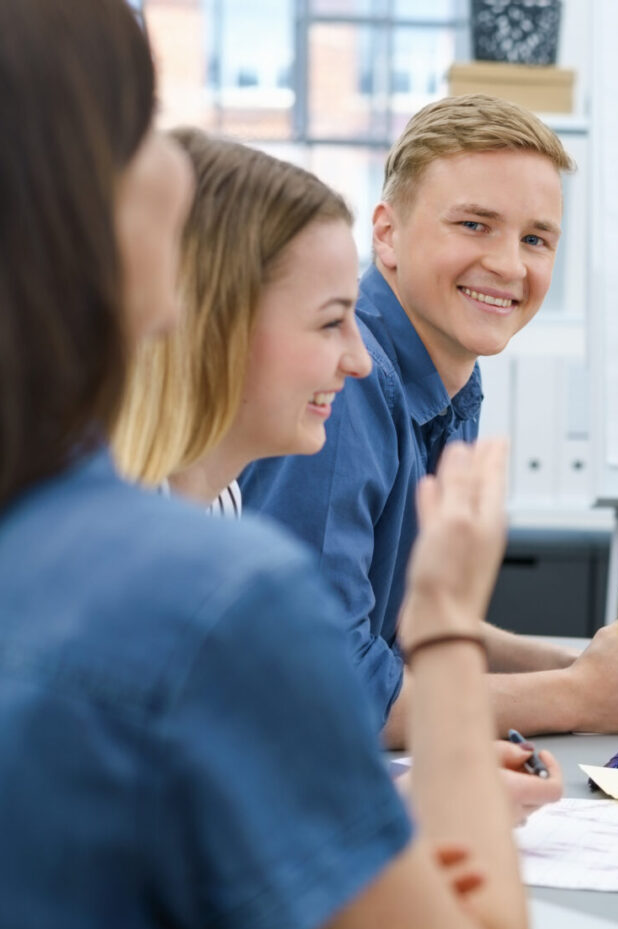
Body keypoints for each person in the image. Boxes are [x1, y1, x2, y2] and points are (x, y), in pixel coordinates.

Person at [0, 2, 529, 929]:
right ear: (73, 204)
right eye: (146, 126)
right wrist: (446, 629)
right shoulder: (199, 600)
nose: (178, 169)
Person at [110, 128, 563, 821]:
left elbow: (224, 762)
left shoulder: (217, 505)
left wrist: (406, 790)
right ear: (213, 324)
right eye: (329, 323)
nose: (357, 359)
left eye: (537, 239)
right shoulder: (131, 550)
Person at [241, 95, 618, 747]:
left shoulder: (450, 378)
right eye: (472, 225)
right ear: (387, 234)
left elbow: (405, 622)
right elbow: (322, 689)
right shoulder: (348, 383)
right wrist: (579, 695)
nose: (509, 266)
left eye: (534, 239)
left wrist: (597, 671)